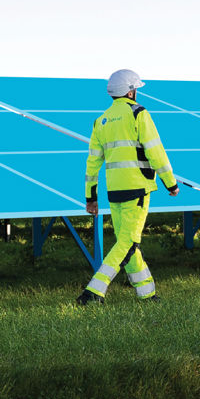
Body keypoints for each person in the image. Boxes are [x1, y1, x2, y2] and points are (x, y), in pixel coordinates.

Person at [76, 69, 179, 304]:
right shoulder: (138, 113)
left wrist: (90, 197)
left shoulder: (101, 120)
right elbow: (156, 151)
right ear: (131, 91)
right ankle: (94, 291)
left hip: (114, 191)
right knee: (128, 241)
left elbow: (92, 163)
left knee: (127, 241)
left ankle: (147, 294)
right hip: (138, 188)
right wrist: (170, 183)